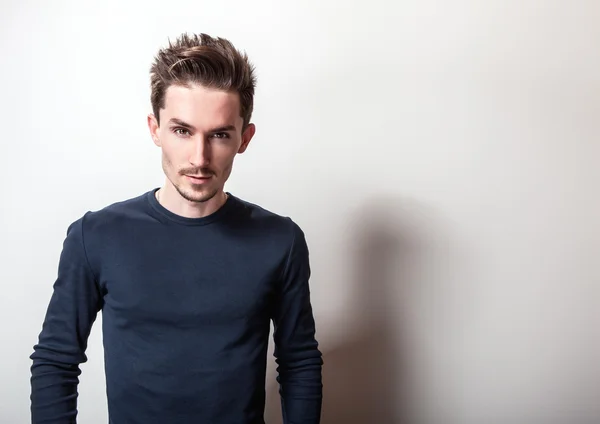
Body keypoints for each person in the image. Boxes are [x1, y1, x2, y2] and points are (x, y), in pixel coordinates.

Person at [30, 32, 323, 424]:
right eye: (182, 131)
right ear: (155, 129)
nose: (199, 158)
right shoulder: (96, 236)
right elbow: (55, 361)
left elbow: (299, 361)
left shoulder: (280, 241)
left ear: (244, 138)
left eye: (219, 135)